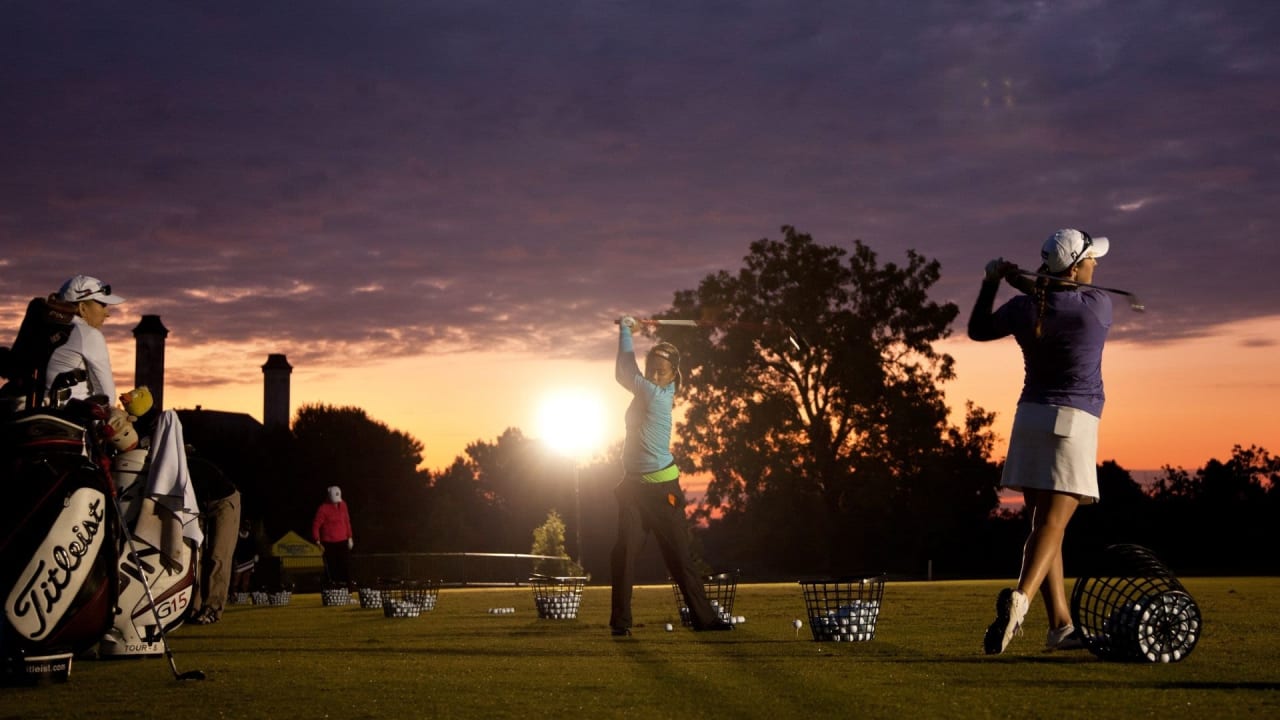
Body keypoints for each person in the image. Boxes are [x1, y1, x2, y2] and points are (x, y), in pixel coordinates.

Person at [968, 228, 1114, 654]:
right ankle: (1021, 600)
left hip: (1029, 418)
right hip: (1073, 421)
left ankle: (1061, 628)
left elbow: (978, 329)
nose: (1097, 264)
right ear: (1074, 266)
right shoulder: (1097, 306)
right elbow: (1060, 297)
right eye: (1091, 258)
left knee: (1043, 527)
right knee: (1053, 525)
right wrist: (1020, 280)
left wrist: (994, 280)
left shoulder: (1022, 308)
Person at [609, 316, 732, 636]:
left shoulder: (656, 396)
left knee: (679, 558)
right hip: (633, 490)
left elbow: (624, 371)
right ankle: (620, 624)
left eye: (660, 370)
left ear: (672, 375)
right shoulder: (647, 392)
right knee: (623, 554)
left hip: (663, 492)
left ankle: (706, 620)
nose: (652, 374)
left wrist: (626, 330)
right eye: (651, 368)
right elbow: (630, 373)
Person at [45, 274, 124, 405]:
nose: (107, 313)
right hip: (69, 419)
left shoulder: (46, 328)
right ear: (82, 308)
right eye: (102, 305)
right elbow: (107, 397)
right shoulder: (88, 334)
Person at [187, 450, 241, 625]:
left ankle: (212, 608)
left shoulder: (193, 467)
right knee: (195, 557)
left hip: (223, 501)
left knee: (218, 555)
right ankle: (191, 608)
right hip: (199, 505)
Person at [312, 485, 355, 586]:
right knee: (333, 568)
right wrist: (318, 542)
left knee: (346, 566)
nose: (336, 502)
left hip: (343, 541)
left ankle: (349, 590)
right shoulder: (323, 509)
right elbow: (315, 525)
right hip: (329, 544)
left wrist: (350, 537)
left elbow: (347, 521)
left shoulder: (343, 504)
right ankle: (335, 589)